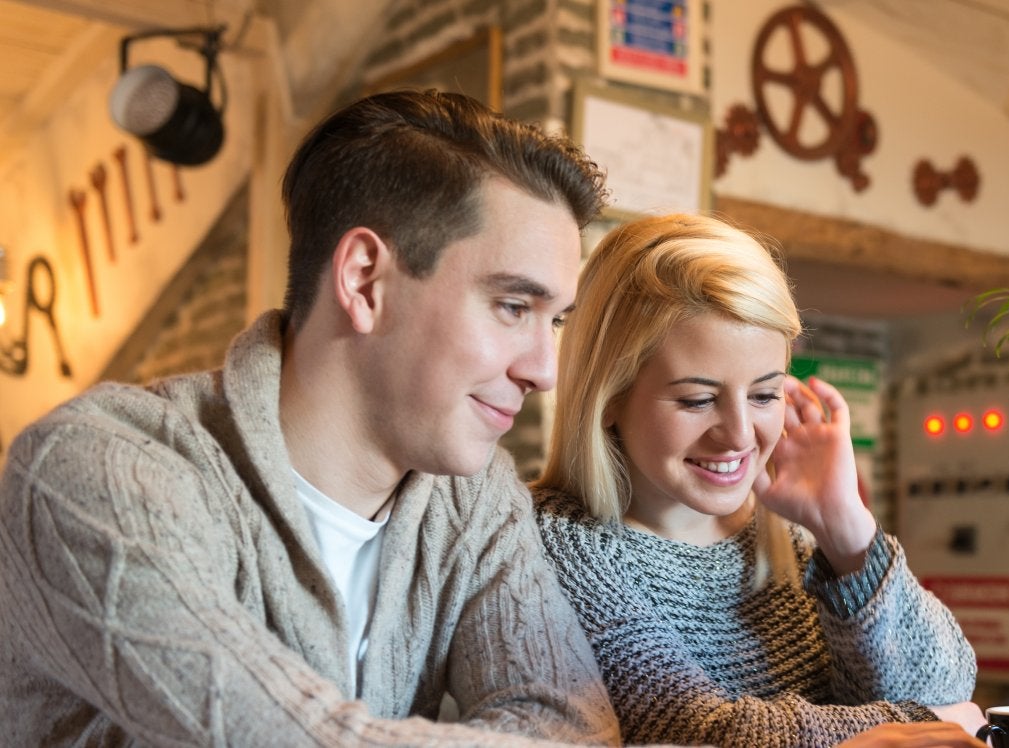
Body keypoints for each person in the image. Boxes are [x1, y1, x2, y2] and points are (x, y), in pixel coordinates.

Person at [0, 90, 622, 744]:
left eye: (554, 320)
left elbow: (578, 729)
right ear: (363, 282)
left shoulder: (476, 499)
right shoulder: (95, 468)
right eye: (513, 307)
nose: (543, 370)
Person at [531, 214, 984, 746]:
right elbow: (700, 730)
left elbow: (948, 682)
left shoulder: (791, 544)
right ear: (609, 397)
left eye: (765, 394)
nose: (740, 435)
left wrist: (847, 532)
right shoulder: (557, 541)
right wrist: (925, 725)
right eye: (697, 399)